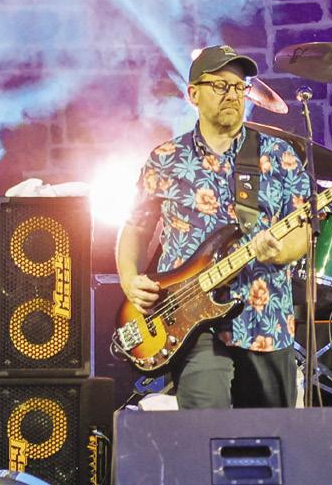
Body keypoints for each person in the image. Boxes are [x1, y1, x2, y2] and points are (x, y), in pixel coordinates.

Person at [116, 44, 311, 409]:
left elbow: (301, 231)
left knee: (269, 435)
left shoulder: (280, 155)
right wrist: (129, 280)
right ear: (193, 94)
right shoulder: (165, 159)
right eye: (220, 86)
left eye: (239, 87)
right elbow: (136, 229)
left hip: (265, 319)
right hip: (190, 323)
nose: (232, 95)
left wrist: (279, 251)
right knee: (205, 429)